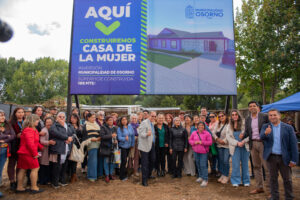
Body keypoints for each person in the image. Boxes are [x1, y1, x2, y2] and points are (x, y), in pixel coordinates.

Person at [260, 109, 299, 200]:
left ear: (279, 116)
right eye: (270, 115)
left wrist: (294, 159)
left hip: (284, 158)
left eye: (274, 115)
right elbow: (261, 137)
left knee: (287, 179)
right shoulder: (265, 126)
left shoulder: (288, 127)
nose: (272, 117)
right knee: (273, 179)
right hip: (271, 157)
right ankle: (274, 197)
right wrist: (266, 133)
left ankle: (289, 197)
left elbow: (293, 144)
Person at [242, 101, 270, 195]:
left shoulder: (264, 116)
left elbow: (271, 128)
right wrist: (243, 135)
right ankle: (259, 188)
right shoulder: (248, 119)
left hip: (263, 144)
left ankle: (270, 190)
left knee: (267, 167)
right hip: (252, 144)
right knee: (256, 167)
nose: (252, 107)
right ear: (249, 108)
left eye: (254, 106)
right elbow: (247, 131)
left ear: (257, 107)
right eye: (250, 106)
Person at [16, 114, 43, 194]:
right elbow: (30, 143)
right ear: (32, 120)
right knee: (35, 168)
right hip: (28, 153)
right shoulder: (29, 130)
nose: (38, 121)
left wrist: (41, 147)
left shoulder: (31, 129)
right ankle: (34, 187)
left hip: (24, 153)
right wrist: (35, 154)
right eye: (37, 120)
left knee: (23, 169)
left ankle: (19, 187)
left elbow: (35, 142)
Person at [49, 112, 74, 188]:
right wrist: (66, 138)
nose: (62, 118)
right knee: (57, 166)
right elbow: (55, 133)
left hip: (67, 148)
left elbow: (73, 134)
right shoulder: (54, 126)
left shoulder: (68, 125)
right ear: (57, 118)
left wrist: (70, 139)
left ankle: (62, 180)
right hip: (58, 148)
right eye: (60, 117)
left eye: (63, 117)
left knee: (64, 165)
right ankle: (55, 182)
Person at [227, 110, 250, 187]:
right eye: (233, 115)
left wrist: (243, 141)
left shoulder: (245, 123)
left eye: (236, 114)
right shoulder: (229, 125)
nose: (234, 116)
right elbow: (228, 137)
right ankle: (235, 181)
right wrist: (237, 143)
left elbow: (250, 134)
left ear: (239, 115)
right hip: (235, 147)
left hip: (244, 146)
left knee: (245, 164)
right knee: (235, 164)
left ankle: (246, 180)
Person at [189, 121, 212, 187]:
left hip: (204, 152)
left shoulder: (207, 133)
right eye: (199, 125)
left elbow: (210, 142)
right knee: (198, 164)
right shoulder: (194, 133)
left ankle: (205, 179)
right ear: (197, 126)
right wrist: (194, 143)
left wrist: (202, 142)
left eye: (202, 125)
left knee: (203, 165)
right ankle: (201, 176)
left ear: (204, 126)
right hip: (196, 151)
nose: (201, 126)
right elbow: (190, 140)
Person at [138, 111, 156, 186]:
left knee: (153, 160)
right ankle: (144, 180)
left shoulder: (152, 123)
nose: (153, 117)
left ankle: (148, 175)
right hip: (144, 146)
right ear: (149, 115)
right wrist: (147, 134)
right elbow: (140, 133)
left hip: (151, 145)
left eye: (155, 116)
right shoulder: (144, 122)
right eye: (152, 116)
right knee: (145, 163)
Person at [81, 112, 101, 182]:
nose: (94, 119)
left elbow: (100, 133)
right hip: (91, 144)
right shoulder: (85, 125)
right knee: (92, 161)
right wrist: (95, 139)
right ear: (88, 118)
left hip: (98, 144)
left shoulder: (97, 125)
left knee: (97, 160)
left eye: (94, 117)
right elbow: (85, 137)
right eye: (92, 117)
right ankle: (91, 176)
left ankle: (96, 175)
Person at [8, 107, 25, 191]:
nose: (21, 114)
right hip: (13, 146)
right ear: (15, 113)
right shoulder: (10, 123)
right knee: (11, 164)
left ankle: (19, 181)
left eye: (22, 112)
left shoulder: (25, 122)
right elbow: (8, 133)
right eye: (19, 112)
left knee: (20, 165)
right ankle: (12, 181)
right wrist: (16, 135)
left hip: (22, 146)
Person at [212, 111, 230, 184]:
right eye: (219, 116)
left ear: (226, 116)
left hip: (227, 146)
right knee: (221, 161)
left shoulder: (229, 124)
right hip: (219, 145)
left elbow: (230, 133)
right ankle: (222, 174)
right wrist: (217, 139)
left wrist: (224, 141)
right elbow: (213, 133)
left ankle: (226, 175)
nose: (221, 117)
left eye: (222, 116)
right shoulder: (217, 124)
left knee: (226, 161)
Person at [99, 116, 118, 183]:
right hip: (106, 147)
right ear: (106, 121)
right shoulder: (103, 127)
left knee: (112, 162)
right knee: (106, 161)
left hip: (114, 147)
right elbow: (102, 136)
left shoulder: (115, 127)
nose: (111, 121)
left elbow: (116, 136)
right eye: (109, 120)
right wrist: (111, 136)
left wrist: (116, 140)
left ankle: (111, 174)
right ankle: (106, 175)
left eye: (112, 120)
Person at [0, 110, 15, 188]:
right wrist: (7, 135)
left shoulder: (7, 124)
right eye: (0, 115)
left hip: (5, 149)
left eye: (3, 115)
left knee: (0, 169)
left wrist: (4, 139)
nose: (2, 117)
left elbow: (13, 136)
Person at [38, 117, 56, 185]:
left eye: (50, 122)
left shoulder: (52, 129)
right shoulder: (44, 130)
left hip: (50, 150)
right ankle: (42, 180)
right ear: (45, 123)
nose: (49, 123)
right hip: (45, 151)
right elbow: (41, 141)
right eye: (47, 122)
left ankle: (47, 179)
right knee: (43, 166)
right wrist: (49, 142)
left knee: (48, 166)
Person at [117, 116, 135, 181]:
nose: (124, 121)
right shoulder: (119, 128)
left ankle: (124, 173)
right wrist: (124, 138)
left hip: (129, 146)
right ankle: (121, 176)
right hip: (122, 146)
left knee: (126, 160)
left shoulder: (130, 127)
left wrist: (132, 144)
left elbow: (132, 135)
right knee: (123, 161)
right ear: (121, 121)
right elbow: (119, 137)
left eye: (125, 120)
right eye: (123, 120)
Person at [68, 113, 82, 183]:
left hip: (76, 146)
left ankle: (74, 175)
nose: (73, 119)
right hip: (69, 145)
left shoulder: (80, 127)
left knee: (74, 161)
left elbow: (81, 137)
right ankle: (69, 175)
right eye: (72, 118)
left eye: (74, 118)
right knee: (68, 161)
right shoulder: (68, 126)